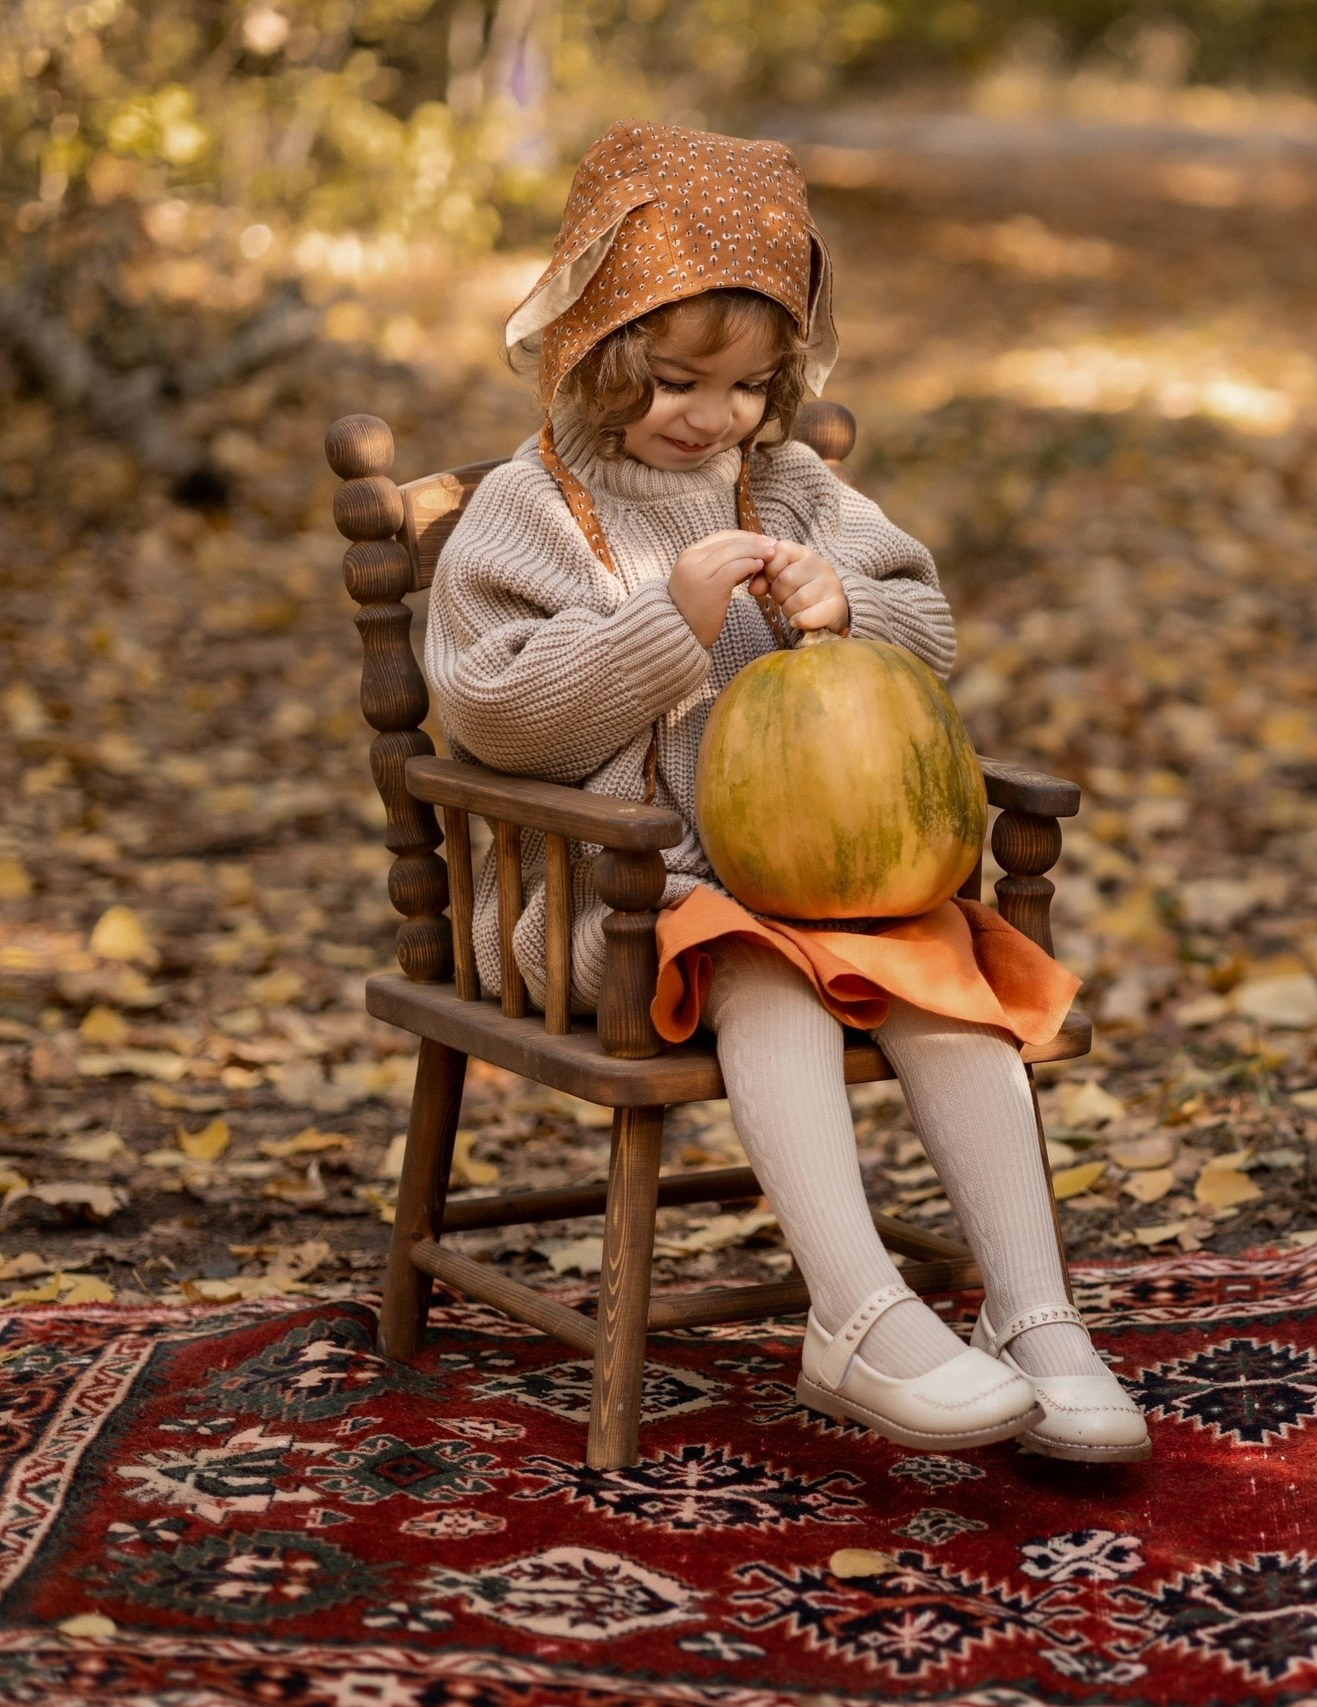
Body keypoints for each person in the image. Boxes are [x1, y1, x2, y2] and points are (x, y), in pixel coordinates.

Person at [424, 120, 1147, 1463]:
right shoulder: (523, 512)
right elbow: (489, 712)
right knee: (758, 967)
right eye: (680, 382)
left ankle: (1038, 1320)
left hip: (821, 875)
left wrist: (846, 603)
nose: (715, 419)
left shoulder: (793, 482)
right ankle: (857, 1313)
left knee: (942, 972)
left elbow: (927, 631)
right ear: (596, 349)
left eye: (751, 387)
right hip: (605, 903)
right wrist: (661, 626)